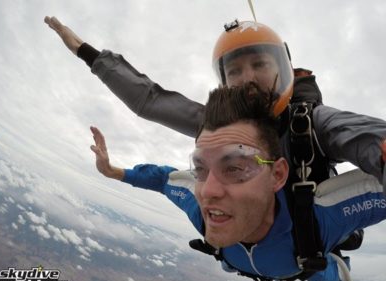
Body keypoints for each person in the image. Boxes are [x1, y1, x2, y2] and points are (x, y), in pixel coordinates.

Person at [45, 16, 386, 252]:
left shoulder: (313, 123)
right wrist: (85, 52)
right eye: (234, 70)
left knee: (332, 273)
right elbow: (149, 101)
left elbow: (371, 141)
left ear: (282, 68)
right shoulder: (217, 125)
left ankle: (341, 244)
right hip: (251, 240)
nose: (247, 78)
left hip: (311, 233)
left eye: (259, 64)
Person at [89, 82, 386, 281]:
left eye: (235, 168)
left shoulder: (321, 216)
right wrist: (115, 172)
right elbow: (164, 179)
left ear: (278, 175)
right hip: (254, 260)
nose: (207, 191)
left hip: (309, 261)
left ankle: (341, 246)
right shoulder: (202, 209)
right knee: (227, 253)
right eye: (201, 168)